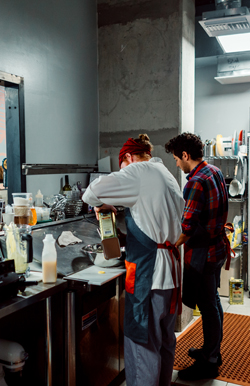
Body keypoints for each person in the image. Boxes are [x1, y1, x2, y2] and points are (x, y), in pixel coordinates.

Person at [82, 134, 184, 386]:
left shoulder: (138, 170)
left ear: (128, 157)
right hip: (171, 275)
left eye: (121, 167)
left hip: (150, 276)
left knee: (143, 344)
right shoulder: (167, 174)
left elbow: (90, 193)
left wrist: (101, 203)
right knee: (164, 340)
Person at [164, 133, 230, 381]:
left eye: (176, 159)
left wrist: (168, 244)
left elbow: (187, 227)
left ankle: (209, 362)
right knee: (213, 301)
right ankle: (213, 351)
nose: (177, 165)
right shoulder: (214, 171)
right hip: (218, 249)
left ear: (185, 155)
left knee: (208, 306)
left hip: (205, 254)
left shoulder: (195, 182)